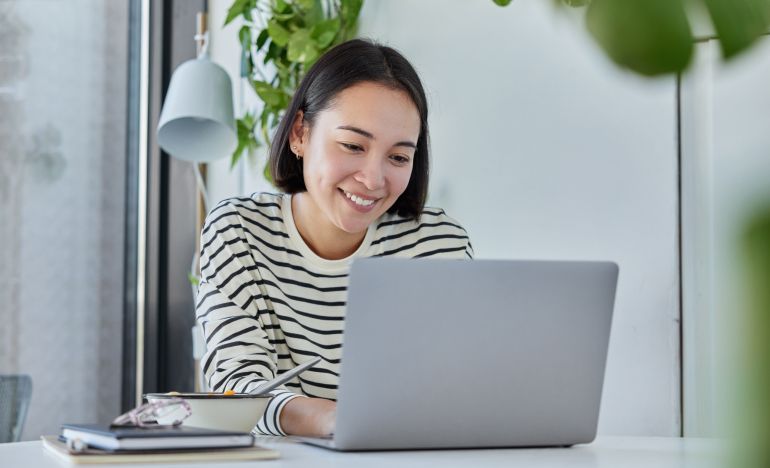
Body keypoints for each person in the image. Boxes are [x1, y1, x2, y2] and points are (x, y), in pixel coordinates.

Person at [196, 39, 473, 437]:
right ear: (299, 134)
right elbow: (236, 388)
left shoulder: (437, 243)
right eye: (352, 146)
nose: (374, 179)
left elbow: (456, 389)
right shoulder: (239, 233)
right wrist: (330, 420)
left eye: (398, 157)